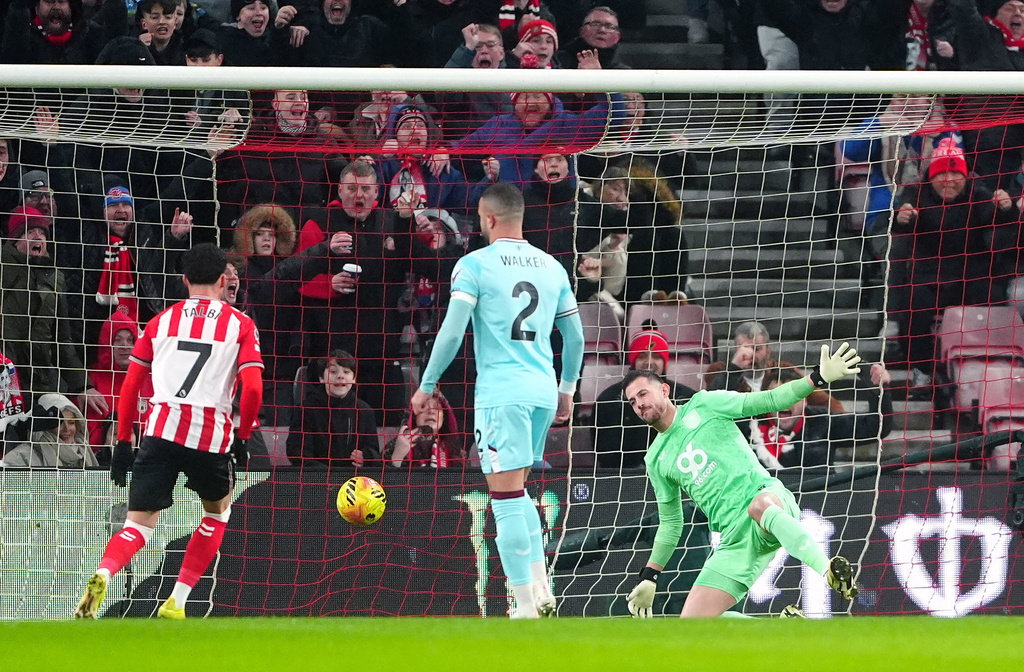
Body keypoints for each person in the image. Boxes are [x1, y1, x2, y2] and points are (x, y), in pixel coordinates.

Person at [410, 183, 585, 619]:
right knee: (518, 491)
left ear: (487, 219)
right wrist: (566, 389)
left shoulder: (473, 265)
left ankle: (522, 606)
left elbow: (452, 331)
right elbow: (576, 336)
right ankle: (541, 586)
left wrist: (427, 383)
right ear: (519, 217)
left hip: (502, 392)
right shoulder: (552, 266)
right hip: (543, 389)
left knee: (503, 500)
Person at [74, 243, 263, 620]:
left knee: (138, 525)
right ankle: (177, 600)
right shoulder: (240, 324)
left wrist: (125, 442)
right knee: (216, 516)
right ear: (225, 279)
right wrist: (242, 436)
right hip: (209, 437)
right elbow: (254, 387)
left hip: (160, 432)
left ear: (184, 280)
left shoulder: (161, 321)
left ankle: (103, 572)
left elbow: (130, 385)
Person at [621, 344, 863, 619]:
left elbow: (770, 400)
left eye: (643, 393)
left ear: (664, 390)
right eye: (632, 401)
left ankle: (828, 571)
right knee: (693, 623)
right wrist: (650, 576)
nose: (639, 404)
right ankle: (782, 628)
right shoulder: (656, 459)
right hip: (734, 540)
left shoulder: (706, 404)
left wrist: (816, 379)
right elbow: (671, 523)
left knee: (758, 506)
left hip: (766, 500)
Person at [751, 364, 894, 471]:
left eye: (792, 396)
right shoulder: (751, 424)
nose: (785, 402)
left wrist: (879, 392)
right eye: (777, 396)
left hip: (816, 504)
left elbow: (876, 428)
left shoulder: (823, 420)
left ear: (805, 400)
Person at [593, 329, 697, 469]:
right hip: (624, 479)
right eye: (642, 356)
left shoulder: (686, 397)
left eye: (656, 356)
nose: (649, 362)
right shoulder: (609, 400)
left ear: (665, 361)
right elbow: (604, 455)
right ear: (633, 360)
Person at [285, 350, 380, 469]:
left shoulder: (365, 411)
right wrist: (329, 476)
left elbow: (374, 451)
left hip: (355, 480)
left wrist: (367, 457)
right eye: (333, 372)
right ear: (321, 378)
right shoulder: (306, 409)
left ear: (354, 378)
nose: (340, 376)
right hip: (317, 480)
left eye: (346, 372)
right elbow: (297, 452)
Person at [5, 393, 97, 468]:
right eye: (59, 423)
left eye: (71, 422)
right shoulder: (20, 457)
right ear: (45, 426)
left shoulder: (85, 452)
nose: (67, 429)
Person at [384, 388, 464, 468]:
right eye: (423, 406)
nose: (431, 411)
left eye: (437, 407)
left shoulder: (455, 450)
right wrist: (397, 457)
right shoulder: (397, 444)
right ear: (414, 416)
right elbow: (378, 479)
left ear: (444, 417)